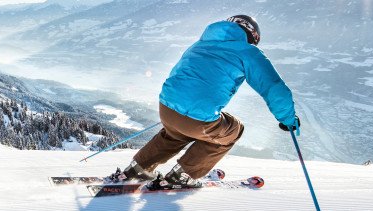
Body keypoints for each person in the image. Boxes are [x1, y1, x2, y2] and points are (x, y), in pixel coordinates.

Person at [108, 15, 300, 188]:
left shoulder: (201, 43)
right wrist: (288, 119)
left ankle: (138, 169)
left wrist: (180, 107)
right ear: (253, 36)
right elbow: (274, 87)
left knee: (175, 135)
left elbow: (181, 72)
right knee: (233, 130)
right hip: (195, 116)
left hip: (166, 107)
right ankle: (183, 175)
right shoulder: (247, 52)